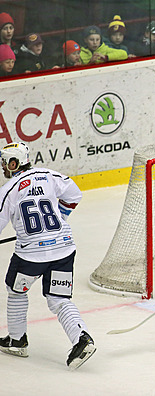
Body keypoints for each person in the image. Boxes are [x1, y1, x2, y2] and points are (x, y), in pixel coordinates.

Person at [0, 142, 96, 369]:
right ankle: (81, 339)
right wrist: (59, 220)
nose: (3, 166)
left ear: (14, 164)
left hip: (30, 256)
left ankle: (17, 341)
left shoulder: (8, 190)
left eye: (5, 162)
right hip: (64, 248)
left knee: (16, 290)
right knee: (59, 299)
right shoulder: (48, 175)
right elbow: (74, 194)